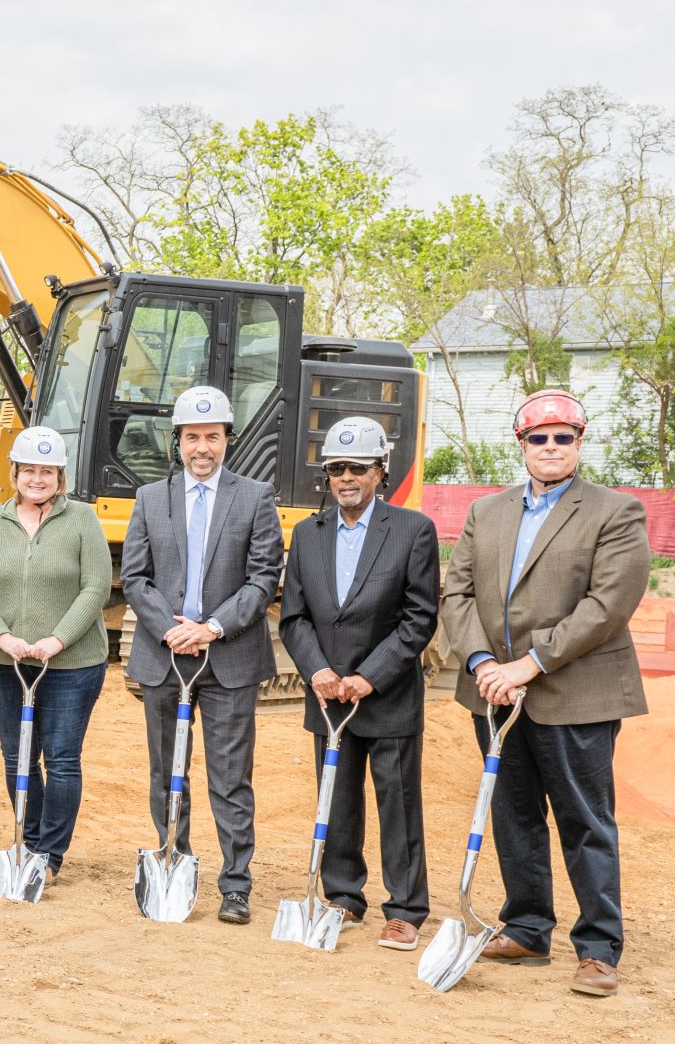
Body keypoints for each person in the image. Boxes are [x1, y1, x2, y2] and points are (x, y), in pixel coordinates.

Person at [439, 389, 648, 997]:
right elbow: (457, 593)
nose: (551, 447)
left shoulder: (615, 511)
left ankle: (598, 946)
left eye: (564, 437)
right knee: (513, 814)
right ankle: (528, 926)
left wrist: (527, 665)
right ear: (521, 444)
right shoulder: (487, 511)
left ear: (580, 442)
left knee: (585, 820)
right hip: (493, 692)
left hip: (574, 692)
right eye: (539, 437)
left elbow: (608, 605)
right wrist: (481, 660)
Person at [120, 384, 284, 924]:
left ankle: (235, 883)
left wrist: (211, 627)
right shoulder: (150, 498)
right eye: (193, 437)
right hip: (164, 654)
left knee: (230, 776)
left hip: (229, 658)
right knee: (167, 771)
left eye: (212, 436)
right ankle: (174, 858)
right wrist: (171, 629)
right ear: (179, 442)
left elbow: (263, 580)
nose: (202, 448)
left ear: (227, 440)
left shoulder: (256, 497)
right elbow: (135, 577)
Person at [277, 416, 441, 948]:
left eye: (359, 468)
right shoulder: (306, 534)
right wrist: (318, 670)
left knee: (398, 801)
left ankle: (406, 909)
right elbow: (294, 617)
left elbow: (420, 617)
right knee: (337, 797)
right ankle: (344, 896)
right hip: (328, 695)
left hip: (386, 693)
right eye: (337, 468)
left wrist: (369, 676)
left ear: (380, 472)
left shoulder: (413, 530)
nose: (347, 477)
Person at [0, 426, 111, 879]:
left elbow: (96, 587)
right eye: (29, 470)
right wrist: (1, 637)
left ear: (59, 476)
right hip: (8, 662)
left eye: (47, 471)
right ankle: (26, 842)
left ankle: (50, 854)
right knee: (18, 757)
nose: (37, 479)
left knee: (62, 758)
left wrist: (58, 639)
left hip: (72, 663)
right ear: (16, 473)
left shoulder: (82, 519)